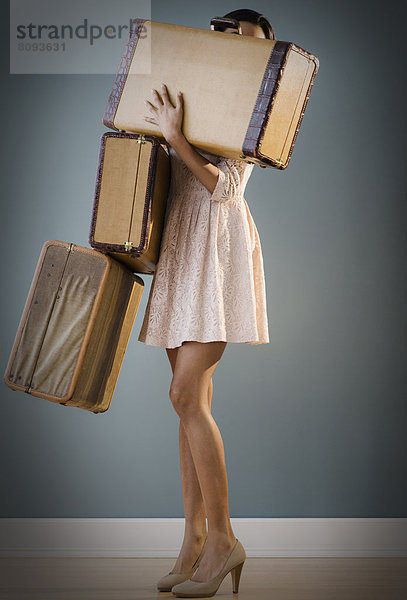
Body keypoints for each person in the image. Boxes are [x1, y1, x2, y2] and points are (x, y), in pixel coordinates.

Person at [138, 8, 274, 598]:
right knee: (189, 404)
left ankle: (223, 541)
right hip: (181, 242)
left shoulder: (256, 103)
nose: (238, 50)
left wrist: (174, 137)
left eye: (250, 43)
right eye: (230, 39)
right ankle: (193, 541)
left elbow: (228, 187)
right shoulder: (193, 88)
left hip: (217, 249)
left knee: (184, 395)